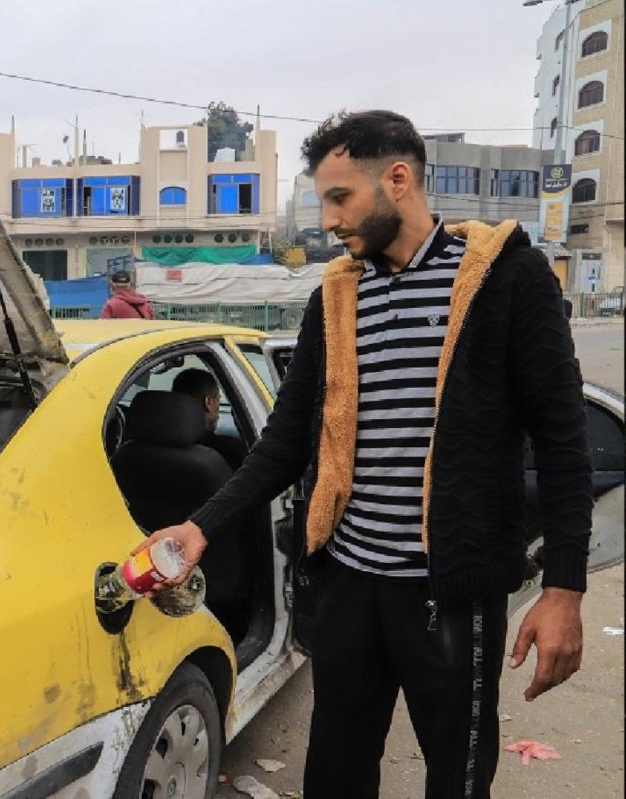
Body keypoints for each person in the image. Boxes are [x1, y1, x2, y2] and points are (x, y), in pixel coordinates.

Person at [137, 110, 591, 799]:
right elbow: (284, 443)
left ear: (398, 180)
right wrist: (201, 527)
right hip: (349, 582)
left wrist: (563, 590)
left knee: (459, 777)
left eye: (340, 197)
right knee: (335, 772)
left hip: (452, 592)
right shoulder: (336, 297)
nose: (328, 221)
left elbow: (563, 441)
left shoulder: (508, 279)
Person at [170, 369, 248, 467]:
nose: (218, 407)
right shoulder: (229, 451)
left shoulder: (157, 447)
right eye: (218, 400)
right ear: (208, 402)